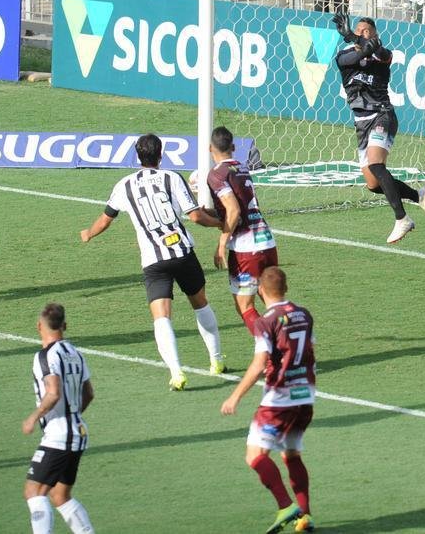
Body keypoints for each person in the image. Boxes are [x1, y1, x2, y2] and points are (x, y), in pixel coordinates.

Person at [79, 133, 227, 390]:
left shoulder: (123, 185)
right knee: (200, 304)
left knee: (162, 317)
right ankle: (216, 362)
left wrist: (88, 233)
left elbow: (105, 219)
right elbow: (194, 216)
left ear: (138, 156)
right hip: (182, 253)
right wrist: (220, 224)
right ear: (161, 155)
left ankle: (176, 372)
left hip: (153, 261)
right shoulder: (172, 177)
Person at [220, 268, 316, 534]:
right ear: (285, 287)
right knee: (291, 453)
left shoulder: (266, 322)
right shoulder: (304, 314)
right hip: (305, 396)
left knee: (254, 455)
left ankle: (286, 506)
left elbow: (259, 364)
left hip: (279, 400)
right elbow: (310, 353)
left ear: (260, 290)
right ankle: (305, 515)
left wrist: (235, 396)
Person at [332, 14, 425, 243]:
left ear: (376, 34)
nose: (361, 33)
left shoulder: (384, 56)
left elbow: (378, 52)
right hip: (361, 123)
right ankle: (419, 195)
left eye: (366, 31)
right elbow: (359, 53)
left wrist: (352, 35)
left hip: (382, 115)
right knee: (373, 184)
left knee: (376, 164)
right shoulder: (343, 57)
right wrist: (356, 40)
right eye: (358, 30)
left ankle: (402, 219)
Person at [22, 302, 96, 534]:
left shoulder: (44, 356)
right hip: (79, 431)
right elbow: (89, 393)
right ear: (64, 325)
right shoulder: (76, 353)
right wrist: (72, 414)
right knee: (59, 495)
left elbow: (53, 392)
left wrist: (33, 417)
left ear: (38, 326)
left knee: (34, 491)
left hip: (59, 435)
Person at [206, 125, 278, 334]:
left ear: (211, 149)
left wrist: (221, 244)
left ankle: (272, 350)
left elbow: (234, 211)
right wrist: (209, 214)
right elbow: (239, 205)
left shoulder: (216, 174)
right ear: (234, 146)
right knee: (273, 304)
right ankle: (291, 346)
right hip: (267, 241)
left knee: (245, 306)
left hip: (246, 248)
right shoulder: (242, 167)